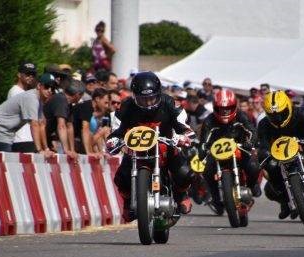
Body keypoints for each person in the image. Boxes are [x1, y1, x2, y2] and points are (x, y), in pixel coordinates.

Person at [106, 71, 196, 219]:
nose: (148, 103)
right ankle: (128, 202)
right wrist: (114, 140)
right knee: (121, 177)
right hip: (136, 151)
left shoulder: (170, 104)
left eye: (151, 99)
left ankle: (181, 195)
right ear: (135, 96)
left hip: (166, 148)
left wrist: (184, 137)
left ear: (158, 94)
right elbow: (116, 131)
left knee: (185, 173)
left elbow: (185, 127)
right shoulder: (125, 107)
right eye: (142, 99)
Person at [199, 89, 261, 212]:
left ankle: (252, 186)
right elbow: (204, 141)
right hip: (217, 153)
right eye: (221, 109)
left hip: (240, 148)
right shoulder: (209, 121)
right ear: (215, 108)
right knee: (207, 171)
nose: (225, 112)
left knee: (253, 166)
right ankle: (216, 199)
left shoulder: (241, 116)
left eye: (228, 108)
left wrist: (249, 142)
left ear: (234, 107)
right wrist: (202, 151)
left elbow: (252, 131)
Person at [257, 90, 304, 219]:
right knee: (269, 187)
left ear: (288, 107)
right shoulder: (264, 124)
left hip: (301, 147)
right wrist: (265, 152)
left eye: (281, 114)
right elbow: (262, 143)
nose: (277, 118)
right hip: (280, 155)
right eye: (273, 116)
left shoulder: (301, 115)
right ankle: (285, 201)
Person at [0, 73, 56, 155]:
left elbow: (41, 124)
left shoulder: (38, 100)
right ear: (39, 86)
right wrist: (39, 151)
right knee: (6, 162)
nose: (50, 90)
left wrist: (46, 149)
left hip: (1, 131)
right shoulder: (31, 98)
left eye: (53, 88)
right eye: (47, 86)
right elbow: (34, 125)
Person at [43, 79, 85, 158]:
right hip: (39, 136)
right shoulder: (61, 99)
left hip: (48, 136)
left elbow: (69, 127)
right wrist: (66, 150)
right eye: (81, 96)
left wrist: (72, 150)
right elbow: (61, 126)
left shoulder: (69, 104)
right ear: (77, 94)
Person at [9, 61, 39, 153]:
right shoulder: (15, 91)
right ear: (19, 74)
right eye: (27, 74)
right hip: (21, 139)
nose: (30, 77)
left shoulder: (25, 93)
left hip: (27, 138)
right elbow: (32, 120)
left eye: (33, 74)